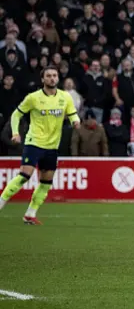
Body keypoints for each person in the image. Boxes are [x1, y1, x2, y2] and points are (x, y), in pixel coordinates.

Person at [0, 66, 81, 224]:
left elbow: (72, 113)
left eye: (55, 75)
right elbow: (16, 114)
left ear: (58, 78)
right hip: (34, 142)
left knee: (46, 182)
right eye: (49, 76)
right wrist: (15, 133)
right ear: (42, 79)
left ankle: (30, 214)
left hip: (52, 146)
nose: (52, 78)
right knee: (24, 176)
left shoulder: (65, 97)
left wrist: (75, 121)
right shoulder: (33, 98)